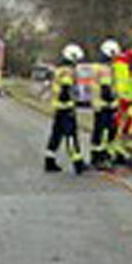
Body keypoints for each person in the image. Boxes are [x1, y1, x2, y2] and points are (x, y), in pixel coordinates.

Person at [44, 43, 87, 174]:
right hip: (66, 108)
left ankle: (49, 160)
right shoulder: (68, 71)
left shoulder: (59, 69)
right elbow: (65, 90)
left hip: (58, 107)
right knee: (70, 136)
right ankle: (77, 162)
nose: (77, 63)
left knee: (56, 134)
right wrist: (71, 101)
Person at [90, 38, 120, 167]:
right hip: (106, 106)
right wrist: (114, 100)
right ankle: (102, 157)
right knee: (106, 132)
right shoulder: (105, 69)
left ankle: (95, 156)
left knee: (98, 131)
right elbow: (106, 89)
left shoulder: (95, 67)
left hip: (97, 105)